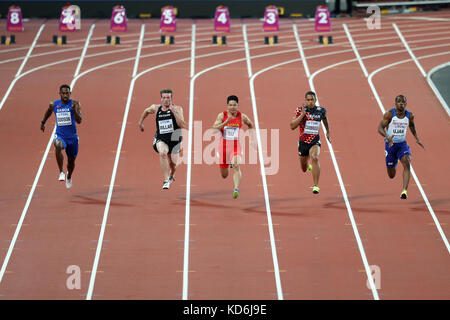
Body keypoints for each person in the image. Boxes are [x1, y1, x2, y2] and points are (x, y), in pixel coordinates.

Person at [378, 95, 425, 199]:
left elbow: (412, 125)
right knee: (391, 175)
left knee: (407, 163)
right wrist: (387, 136)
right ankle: (396, 161)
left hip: (402, 145)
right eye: (399, 102)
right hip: (390, 145)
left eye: (403, 102)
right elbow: (380, 128)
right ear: (395, 103)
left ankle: (404, 191)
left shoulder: (410, 115)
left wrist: (417, 138)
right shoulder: (389, 114)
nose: (401, 104)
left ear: (406, 104)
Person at [138, 89, 185, 190]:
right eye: (164, 98)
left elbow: (182, 124)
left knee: (173, 165)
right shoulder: (155, 108)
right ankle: (166, 180)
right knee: (163, 153)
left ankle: (172, 175)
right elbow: (146, 111)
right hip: (161, 139)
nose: (166, 100)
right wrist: (140, 123)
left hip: (174, 141)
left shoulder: (178, 109)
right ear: (161, 98)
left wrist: (174, 112)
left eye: (168, 98)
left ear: (171, 99)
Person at [212, 95, 255, 199]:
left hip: (236, 147)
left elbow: (250, 125)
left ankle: (236, 189)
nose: (232, 107)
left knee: (236, 165)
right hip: (223, 148)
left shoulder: (242, 116)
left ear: (238, 105)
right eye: (230, 105)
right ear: (227, 106)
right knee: (224, 175)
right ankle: (228, 164)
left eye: (234, 105)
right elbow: (214, 128)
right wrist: (226, 122)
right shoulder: (222, 116)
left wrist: (252, 139)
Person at [40, 84, 82, 189]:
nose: (65, 95)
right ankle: (61, 172)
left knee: (71, 162)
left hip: (72, 138)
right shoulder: (54, 104)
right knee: (57, 145)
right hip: (60, 135)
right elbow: (48, 112)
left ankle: (69, 176)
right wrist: (43, 122)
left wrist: (75, 111)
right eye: (63, 93)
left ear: (70, 93)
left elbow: (79, 121)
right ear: (60, 94)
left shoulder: (75, 104)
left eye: (67, 93)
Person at [290, 91, 330, 194]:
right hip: (303, 143)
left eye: (312, 100)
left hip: (314, 142)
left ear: (316, 100)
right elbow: (292, 126)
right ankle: (308, 166)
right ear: (305, 101)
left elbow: (325, 119)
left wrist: (328, 131)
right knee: (303, 169)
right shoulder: (300, 110)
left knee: (315, 157)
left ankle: (316, 186)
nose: (310, 102)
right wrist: (302, 115)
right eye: (308, 100)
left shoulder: (321, 111)